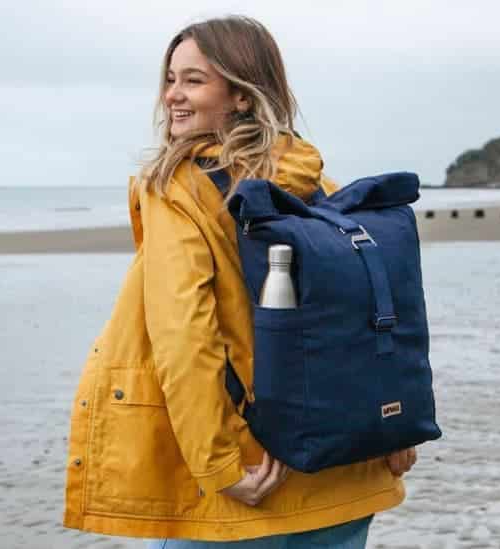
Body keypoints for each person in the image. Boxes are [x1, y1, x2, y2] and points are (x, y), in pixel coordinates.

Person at [63, 15, 417, 548]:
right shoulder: (318, 183)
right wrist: (397, 424)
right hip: (345, 471)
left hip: (252, 483)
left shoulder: (179, 188)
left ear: (244, 95)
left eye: (194, 80)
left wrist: (221, 464)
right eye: (170, 78)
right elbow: (377, 311)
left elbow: (185, 337)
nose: (172, 96)